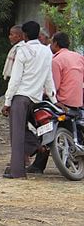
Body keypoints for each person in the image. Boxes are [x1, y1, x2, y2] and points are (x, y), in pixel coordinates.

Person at [2, 21, 57, 179]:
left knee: (17, 134)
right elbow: (48, 78)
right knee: (28, 129)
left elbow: (15, 79)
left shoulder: (22, 50)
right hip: (36, 98)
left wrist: (7, 101)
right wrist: (53, 99)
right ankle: (36, 145)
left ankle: (17, 171)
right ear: (38, 34)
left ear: (24, 35)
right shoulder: (46, 51)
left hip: (20, 96)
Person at [27, 31, 83, 174]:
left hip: (61, 102)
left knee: (40, 121)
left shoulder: (56, 60)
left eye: (52, 42)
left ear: (56, 44)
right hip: (77, 101)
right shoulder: (78, 57)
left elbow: (53, 87)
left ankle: (38, 162)